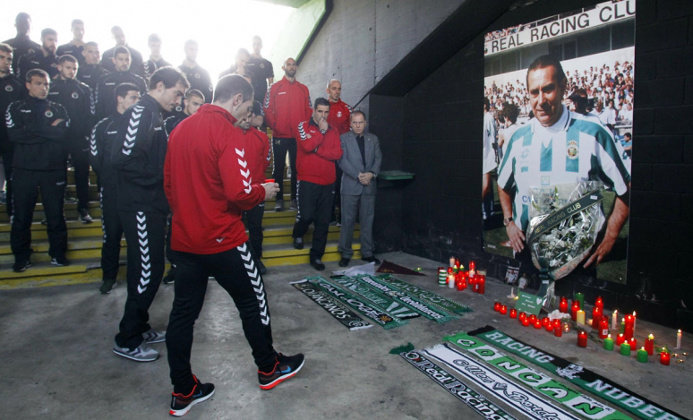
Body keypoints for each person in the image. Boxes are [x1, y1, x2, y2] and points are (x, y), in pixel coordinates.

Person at [165, 74, 304, 416]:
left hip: (185, 241)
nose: (247, 116)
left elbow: (168, 187)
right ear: (238, 98)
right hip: (224, 239)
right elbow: (240, 193)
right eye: (246, 108)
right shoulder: (227, 132)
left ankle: (183, 390)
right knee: (253, 300)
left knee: (183, 315)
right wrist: (264, 192)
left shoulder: (180, 129)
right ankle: (269, 367)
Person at [497, 55, 631, 270]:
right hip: (526, 255)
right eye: (534, 92)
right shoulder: (519, 138)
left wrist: (610, 236)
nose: (540, 100)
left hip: (576, 259)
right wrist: (509, 222)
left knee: (572, 305)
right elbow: (503, 185)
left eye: (547, 89)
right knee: (522, 304)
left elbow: (626, 188)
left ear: (562, 87)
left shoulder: (593, 133)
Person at [109, 67, 189, 362]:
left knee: (146, 268)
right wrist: (159, 179)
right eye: (177, 93)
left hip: (151, 204)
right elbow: (122, 157)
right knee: (149, 269)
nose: (179, 100)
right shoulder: (142, 111)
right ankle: (127, 338)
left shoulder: (154, 115)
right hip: (139, 205)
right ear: (158, 86)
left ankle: (140, 326)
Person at [6, 69, 70, 272]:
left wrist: (32, 129)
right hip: (25, 169)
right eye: (39, 83)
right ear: (28, 84)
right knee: (22, 216)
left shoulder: (59, 108)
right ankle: (22, 257)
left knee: (55, 216)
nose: (44, 88)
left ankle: (58, 255)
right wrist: (48, 130)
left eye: (47, 84)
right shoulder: (16, 107)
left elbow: (62, 134)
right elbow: (15, 135)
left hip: (53, 170)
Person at [89, 82, 141, 294]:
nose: (138, 102)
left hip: (136, 192)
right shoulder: (102, 126)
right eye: (134, 98)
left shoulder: (140, 125)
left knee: (136, 240)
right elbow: (95, 159)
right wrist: (113, 178)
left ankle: (136, 278)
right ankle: (108, 277)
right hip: (111, 192)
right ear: (120, 99)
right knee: (111, 237)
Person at [292, 97, 343, 270]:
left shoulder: (334, 130)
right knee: (306, 216)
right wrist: (320, 133)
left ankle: (316, 256)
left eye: (326, 112)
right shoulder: (303, 126)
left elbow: (337, 154)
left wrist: (318, 150)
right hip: (307, 180)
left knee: (322, 222)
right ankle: (298, 233)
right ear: (313, 110)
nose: (323, 115)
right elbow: (306, 146)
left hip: (328, 182)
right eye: (320, 111)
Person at [161, 88, 205, 285]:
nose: (198, 108)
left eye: (201, 105)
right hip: (176, 182)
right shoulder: (170, 123)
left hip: (196, 181)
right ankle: (175, 266)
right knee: (176, 225)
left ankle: (202, 265)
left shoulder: (203, 124)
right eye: (195, 103)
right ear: (185, 102)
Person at [49, 54, 95, 223]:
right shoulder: (50, 87)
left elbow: (90, 115)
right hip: (56, 140)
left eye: (74, 68)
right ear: (60, 67)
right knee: (56, 176)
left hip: (78, 138)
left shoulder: (84, 88)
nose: (71, 71)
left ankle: (83, 209)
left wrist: (85, 134)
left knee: (82, 175)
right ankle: (55, 212)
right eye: (68, 67)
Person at [263, 57, 312, 212]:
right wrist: (275, 125)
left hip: (297, 137)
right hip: (279, 135)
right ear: (283, 68)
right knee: (278, 168)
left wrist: (302, 128)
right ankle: (278, 200)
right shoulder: (274, 87)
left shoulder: (303, 89)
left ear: (296, 67)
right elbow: (266, 109)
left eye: (293, 64)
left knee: (297, 168)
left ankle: (294, 199)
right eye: (288, 65)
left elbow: (309, 110)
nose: (291, 67)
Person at [337, 110, 381, 267]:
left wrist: (371, 174)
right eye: (355, 122)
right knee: (347, 221)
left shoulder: (373, 139)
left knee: (367, 221)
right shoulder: (343, 139)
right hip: (350, 186)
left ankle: (367, 253)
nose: (358, 125)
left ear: (365, 123)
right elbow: (342, 160)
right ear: (350, 124)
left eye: (360, 122)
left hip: (369, 185)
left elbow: (378, 158)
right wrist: (358, 175)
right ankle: (345, 252)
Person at [238, 101, 271, 275]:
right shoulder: (230, 135)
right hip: (236, 190)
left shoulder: (262, 137)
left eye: (250, 114)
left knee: (255, 227)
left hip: (257, 189)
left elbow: (266, 161)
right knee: (236, 227)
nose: (247, 118)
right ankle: (237, 261)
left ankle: (256, 259)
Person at [0, 43, 25, 217]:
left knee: (12, 176)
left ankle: (12, 213)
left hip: (9, 137)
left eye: (9, 58)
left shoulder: (17, 84)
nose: (5, 62)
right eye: (1, 57)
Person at [95, 46, 147, 119]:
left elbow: (144, 103)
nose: (124, 63)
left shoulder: (139, 81)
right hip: (110, 120)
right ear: (114, 60)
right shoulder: (104, 80)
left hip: (133, 120)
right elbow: (99, 106)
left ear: (131, 60)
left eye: (127, 59)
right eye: (121, 59)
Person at [325, 79, 351, 224]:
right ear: (328, 90)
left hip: (341, 156)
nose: (337, 91)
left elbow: (352, 133)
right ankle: (328, 217)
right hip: (326, 156)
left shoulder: (347, 109)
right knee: (328, 187)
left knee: (342, 186)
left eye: (339, 89)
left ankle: (341, 217)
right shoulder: (322, 107)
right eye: (334, 88)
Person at [481, 97, 497, 221]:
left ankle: (488, 211)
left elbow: (492, 136)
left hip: (488, 155)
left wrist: (494, 154)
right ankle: (488, 211)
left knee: (486, 186)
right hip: (484, 155)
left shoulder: (489, 118)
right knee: (487, 186)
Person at [247, 36, 273, 103]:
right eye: (254, 44)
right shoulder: (246, 61)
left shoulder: (267, 63)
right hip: (249, 98)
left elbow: (271, 84)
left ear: (261, 46)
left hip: (263, 99)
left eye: (258, 44)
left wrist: (269, 98)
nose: (256, 46)